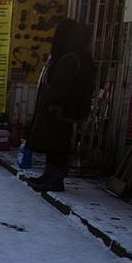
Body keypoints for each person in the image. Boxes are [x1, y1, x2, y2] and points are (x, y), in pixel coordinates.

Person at [26, 19, 95, 192]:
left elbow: (60, 85)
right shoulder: (73, 54)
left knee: (57, 144)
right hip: (61, 108)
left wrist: (48, 102)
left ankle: (55, 179)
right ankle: (49, 175)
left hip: (59, 109)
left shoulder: (71, 57)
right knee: (53, 143)